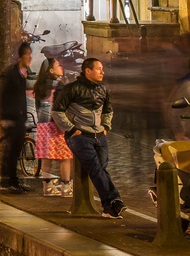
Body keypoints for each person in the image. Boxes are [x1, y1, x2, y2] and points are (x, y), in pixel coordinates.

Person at [51, 57, 123, 218]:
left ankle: (109, 208)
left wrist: (105, 127)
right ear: (87, 71)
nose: (102, 72)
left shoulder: (103, 89)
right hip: (80, 137)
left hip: (99, 136)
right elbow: (57, 111)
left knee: (101, 169)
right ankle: (114, 201)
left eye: (102, 68)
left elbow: (108, 110)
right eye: (98, 69)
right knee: (96, 168)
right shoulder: (71, 89)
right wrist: (71, 129)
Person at [0, 43, 33, 193]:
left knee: (16, 151)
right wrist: (3, 117)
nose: (30, 57)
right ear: (21, 56)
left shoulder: (22, 73)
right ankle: (7, 183)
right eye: (27, 54)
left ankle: (14, 182)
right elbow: (3, 96)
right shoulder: (11, 74)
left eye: (31, 54)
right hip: (11, 118)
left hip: (19, 117)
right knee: (10, 152)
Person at [32, 55, 71, 193]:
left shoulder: (39, 86)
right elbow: (61, 108)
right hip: (56, 126)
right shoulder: (59, 86)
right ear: (51, 71)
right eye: (58, 66)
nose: (61, 67)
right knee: (65, 157)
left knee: (46, 158)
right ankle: (66, 187)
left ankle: (47, 187)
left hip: (43, 126)